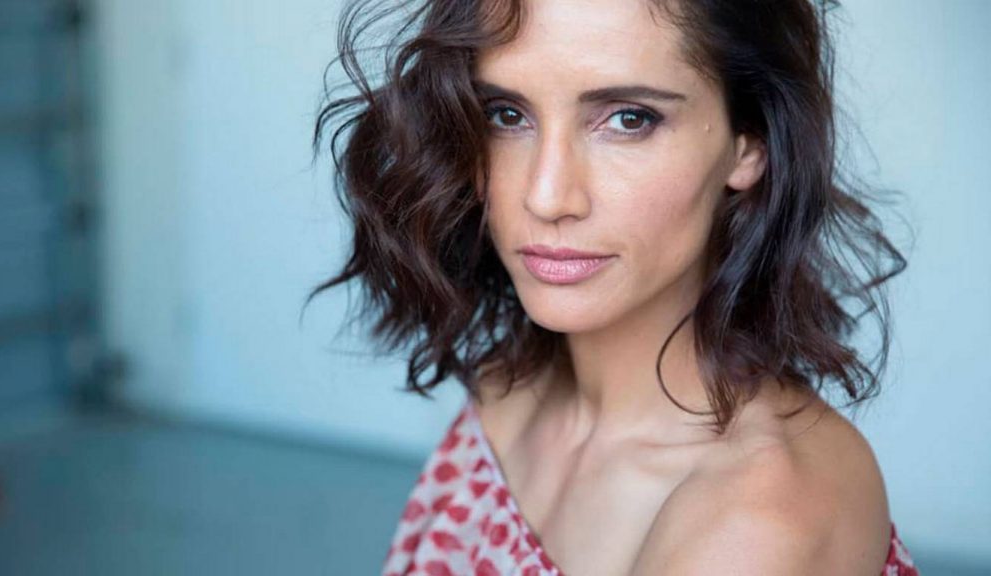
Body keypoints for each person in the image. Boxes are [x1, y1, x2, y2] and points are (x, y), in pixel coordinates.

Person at [307, 0, 920, 573]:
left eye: (629, 119)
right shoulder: (509, 388)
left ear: (749, 144)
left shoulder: (759, 520)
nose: (547, 196)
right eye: (506, 115)